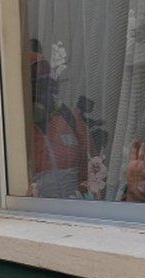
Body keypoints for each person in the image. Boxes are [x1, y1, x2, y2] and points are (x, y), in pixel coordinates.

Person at [28, 52, 97, 199]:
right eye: (36, 82)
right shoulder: (17, 130)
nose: (42, 90)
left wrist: (91, 199)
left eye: (45, 80)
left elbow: (92, 163)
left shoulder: (71, 118)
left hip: (75, 207)